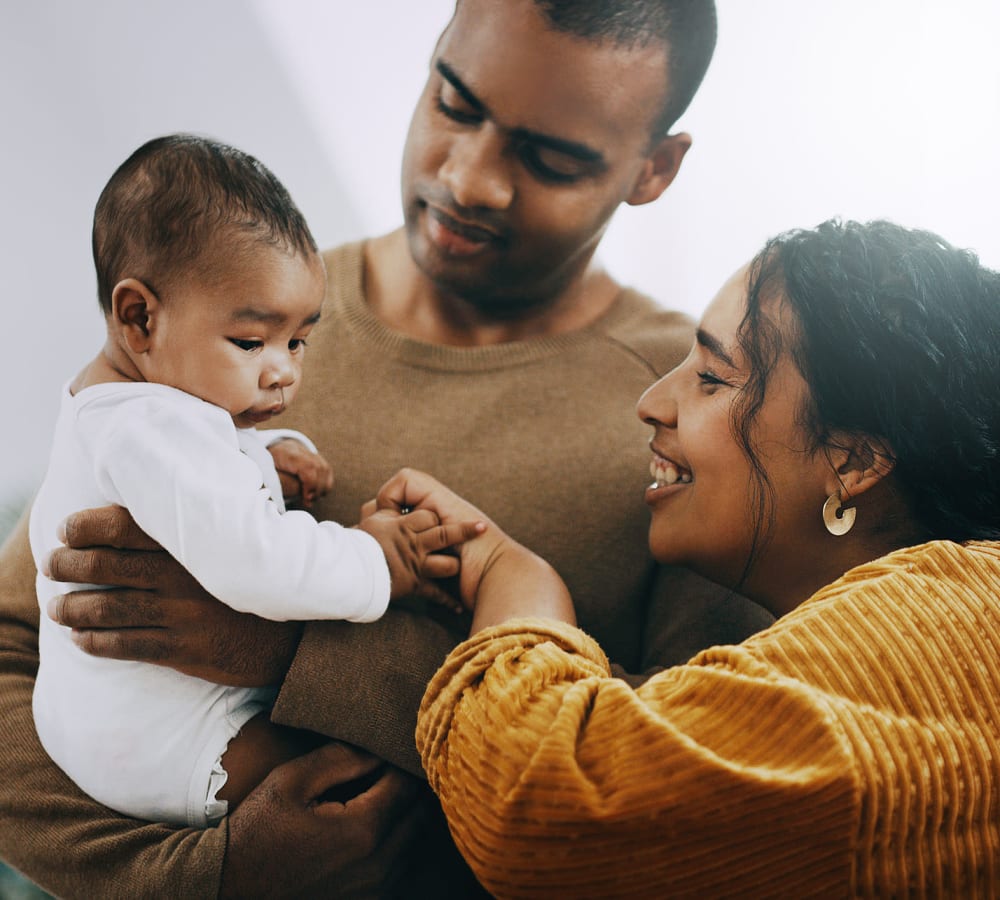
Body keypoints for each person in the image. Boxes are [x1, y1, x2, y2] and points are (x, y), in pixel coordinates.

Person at [0, 0, 773, 895]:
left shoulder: (693, 416)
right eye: (455, 102)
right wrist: (207, 877)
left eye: (550, 157)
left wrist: (298, 656)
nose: (470, 178)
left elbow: (693, 785)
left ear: (655, 168)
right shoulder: (223, 321)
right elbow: (12, 652)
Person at [376, 218, 1000, 897]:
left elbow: (545, 806)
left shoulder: (958, 619)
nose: (651, 403)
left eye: (711, 376)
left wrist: (515, 589)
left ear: (849, 461)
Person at [29, 133, 477, 829]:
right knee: (357, 785)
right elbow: (254, 567)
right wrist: (379, 560)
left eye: (298, 340)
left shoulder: (125, 404)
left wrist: (264, 455)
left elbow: (192, 468)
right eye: (251, 343)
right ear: (139, 317)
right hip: (165, 736)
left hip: (95, 709)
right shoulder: (152, 430)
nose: (284, 371)